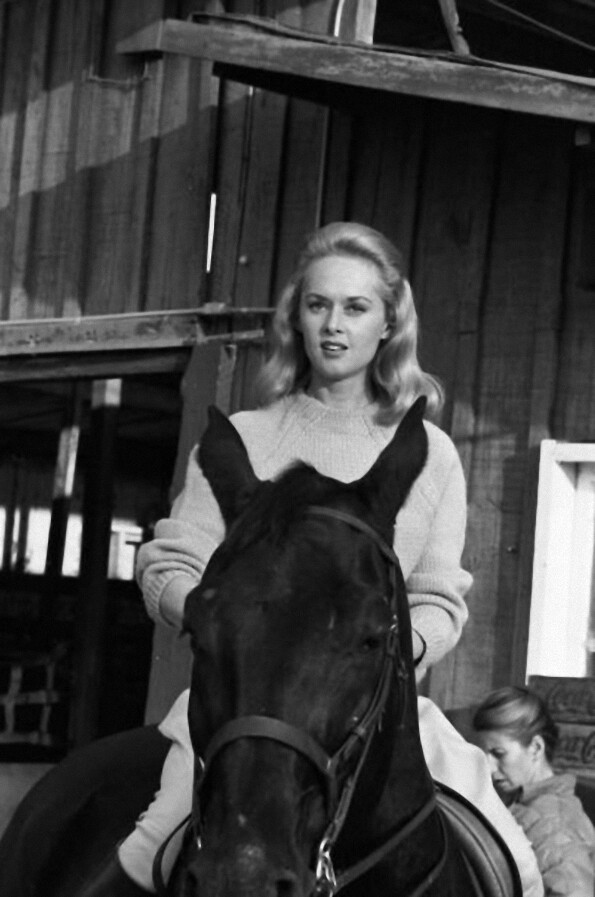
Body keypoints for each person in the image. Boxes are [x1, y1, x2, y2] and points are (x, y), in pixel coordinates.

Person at [80, 221, 543, 897]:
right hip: (241, 708)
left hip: (378, 709)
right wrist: (225, 623)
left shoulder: (431, 453)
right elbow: (171, 566)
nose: (333, 325)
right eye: (318, 304)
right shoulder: (245, 438)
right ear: (295, 316)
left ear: (389, 323)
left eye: (355, 308)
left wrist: (378, 650)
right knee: (152, 840)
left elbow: (438, 595)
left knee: (518, 860)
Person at [473, 685, 595, 897]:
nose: (489, 768)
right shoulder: (523, 805)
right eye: (484, 754)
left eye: (499, 754)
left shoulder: (553, 822)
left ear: (536, 748)